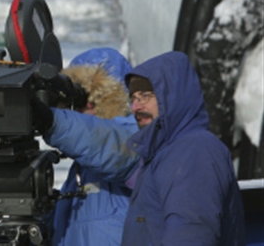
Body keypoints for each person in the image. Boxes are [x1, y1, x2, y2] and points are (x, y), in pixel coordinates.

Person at [121, 51, 245, 245]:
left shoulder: (194, 150)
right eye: (133, 98)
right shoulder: (162, 153)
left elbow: (192, 234)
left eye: (146, 96)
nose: (135, 107)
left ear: (172, 96)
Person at [41, 47, 140, 246]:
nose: (84, 106)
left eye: (91, 97)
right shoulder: (79, 171)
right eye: (75, 99)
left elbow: (107, 145)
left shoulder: (137, 138)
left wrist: (49, 120)